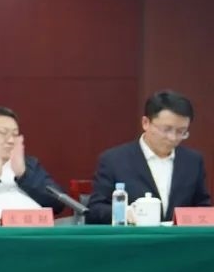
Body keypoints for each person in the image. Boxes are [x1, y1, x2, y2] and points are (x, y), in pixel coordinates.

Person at [87, 90, 211, 223]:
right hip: (134, 235)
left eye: (181, 131)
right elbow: (95, 210)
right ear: (146, 123)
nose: (173, 137)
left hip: (178, 236)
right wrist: (123, 213)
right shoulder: (114, 161)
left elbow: (203, 207)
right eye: (166, 129)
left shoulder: (192, 161)